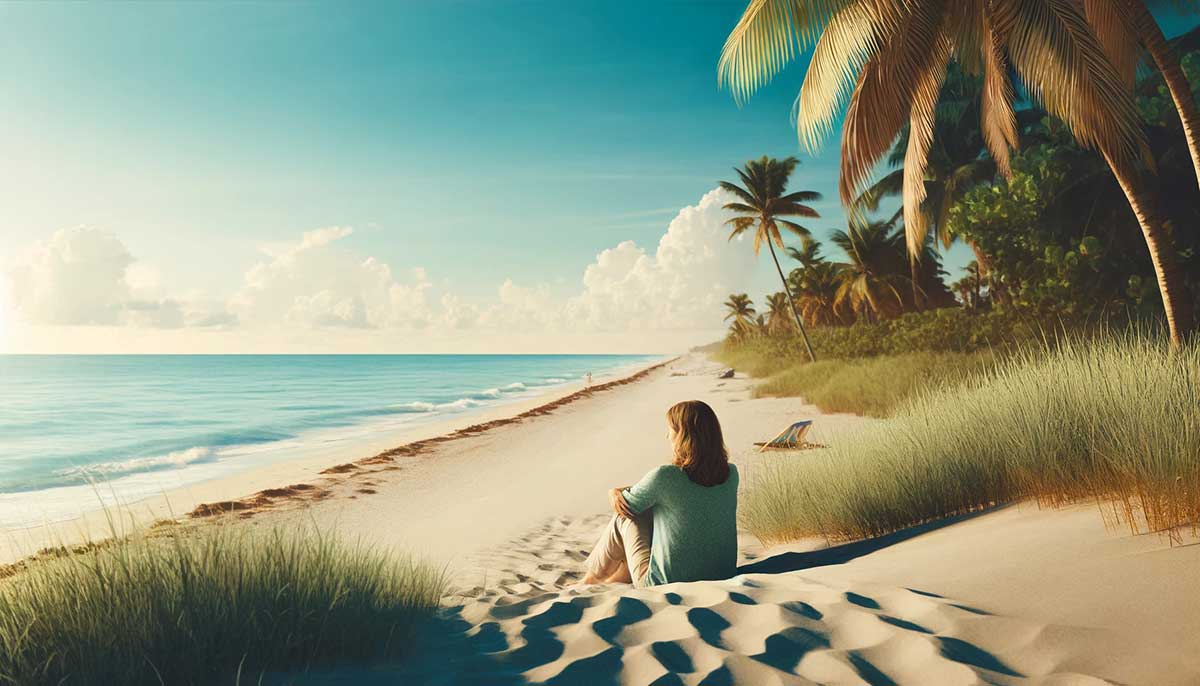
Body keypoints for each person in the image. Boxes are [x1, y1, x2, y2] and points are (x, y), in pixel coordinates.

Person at [581, 400, 738, 587]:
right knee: (655, 508)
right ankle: (616, 578)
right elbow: (683, 494)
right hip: (723, 575)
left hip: (663, 584)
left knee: (625, 515)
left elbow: (626, 504)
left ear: (683, 436)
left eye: (671, 429)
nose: (667, 436)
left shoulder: (665, 476)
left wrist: (613, 492)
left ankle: (590, 579)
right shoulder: (731, 474)